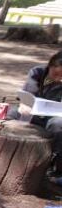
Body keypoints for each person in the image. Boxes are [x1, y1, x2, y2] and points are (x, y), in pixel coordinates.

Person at [21, 49, 62, 179]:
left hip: (55, 116)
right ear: (50, 65)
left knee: (57, 124)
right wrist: (24, 104)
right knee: (11, 114)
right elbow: (27, 96)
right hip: (34, 111)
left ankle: (54, 163)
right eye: (55, 74)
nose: (58, 79)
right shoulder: (37, 72)